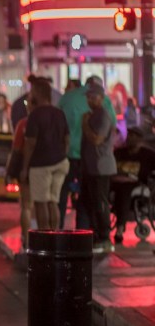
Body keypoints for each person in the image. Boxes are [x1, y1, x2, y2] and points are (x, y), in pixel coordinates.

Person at [58, 75, 116, 229]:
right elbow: (113, 127)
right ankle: (87, 231)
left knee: (63, 194)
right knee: (90, 199)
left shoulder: (67, 98)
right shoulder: (106, 103)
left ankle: (59, 228)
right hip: (93, 160)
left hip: (69, 155)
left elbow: (58, 124)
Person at [22, 78, 70, 230]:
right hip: (60, 162)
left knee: (41, 202)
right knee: (53, 201)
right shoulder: (59, 113)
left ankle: (44, 235)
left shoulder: (35, 115)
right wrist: (62, 154)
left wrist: (25, 168)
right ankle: (55, 234)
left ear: (37, 93)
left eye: (32, 92)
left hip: (41, 163)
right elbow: (67, 139)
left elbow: (30, 143)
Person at [80, 82, 118, 253]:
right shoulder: (93, 115)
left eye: (93, 97)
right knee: (92, 202)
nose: (89, 100)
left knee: (100, 202)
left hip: (101, 168)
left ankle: (104, 237)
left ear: (101, 98)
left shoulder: (103, 116)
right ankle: (96, 235)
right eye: (88, 97)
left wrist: (85, 124)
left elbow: (97, 139)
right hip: (91, 167)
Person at [113, 126, 155, 243]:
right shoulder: (119, 153)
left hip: (135, 183)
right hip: (116, 181)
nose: (129, 138)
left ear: (140, 139)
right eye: (129, 135)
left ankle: (120, 228)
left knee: (124, 191)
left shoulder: (148, 155)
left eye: (133, 136)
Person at [6, 94, 34, 250]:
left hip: (28, 169)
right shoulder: (54, 120)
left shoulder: (23, 123)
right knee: (45, 204)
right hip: (48, 167)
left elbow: (16, 150)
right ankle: (45, 236)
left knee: (26, 206)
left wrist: (11, 171)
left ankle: (26, 238)